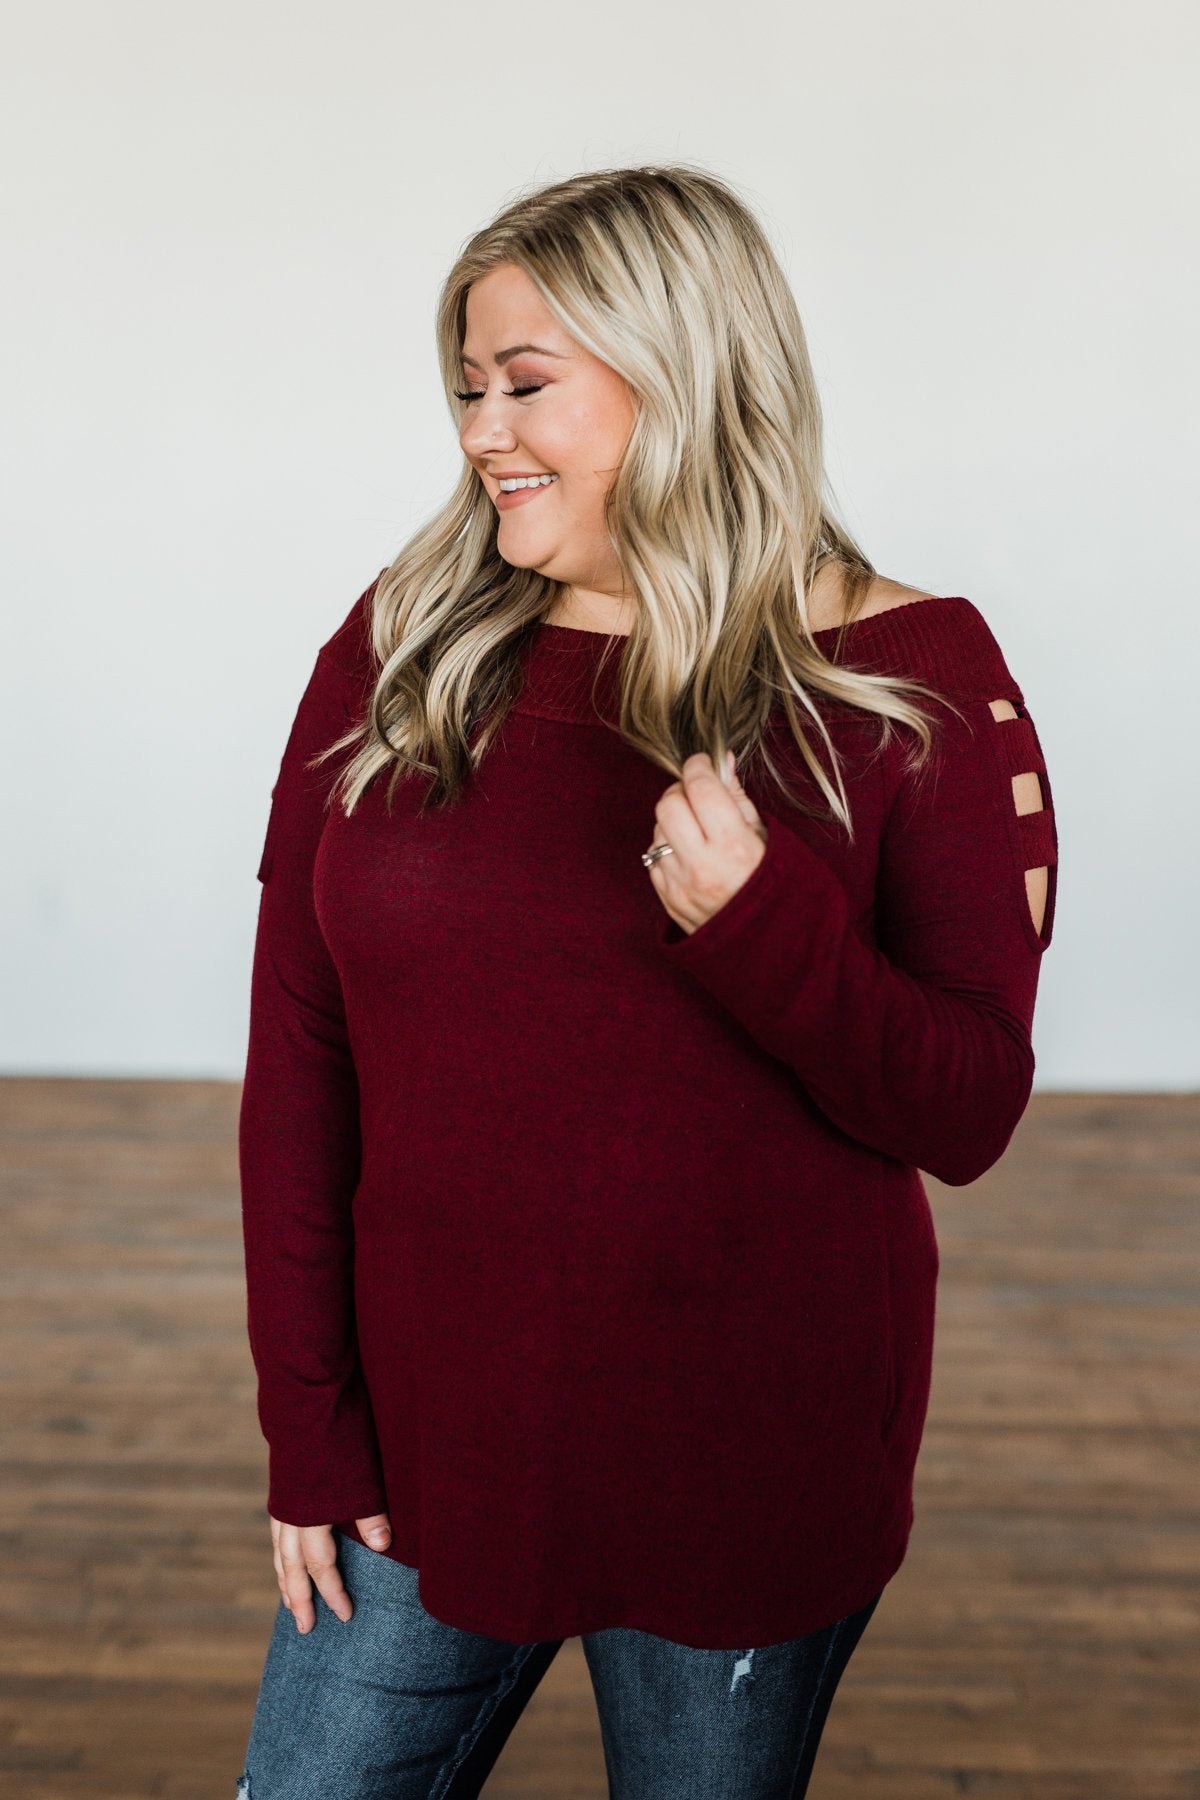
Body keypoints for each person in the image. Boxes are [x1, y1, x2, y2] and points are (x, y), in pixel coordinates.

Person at [235, 163, 1059, 1798]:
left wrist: (761, 919)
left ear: (683, 375)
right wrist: (307, 1426)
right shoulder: (403, 640)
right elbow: (301, 1045)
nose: (481, 432)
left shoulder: (915, 686)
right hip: (422, 1455)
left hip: (744, 1473)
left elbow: (966, 1109)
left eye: (527, 384)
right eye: (468, 386)